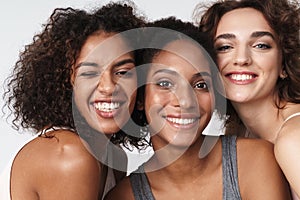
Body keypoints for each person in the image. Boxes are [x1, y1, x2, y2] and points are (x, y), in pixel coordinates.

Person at [104, 17, 291, 200]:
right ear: (140, 97)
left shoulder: (255, 160)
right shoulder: (124, 196)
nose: (186, 101)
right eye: (165, 83)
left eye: (200, 85)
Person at [1, 2, 147, 199]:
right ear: (65, 83)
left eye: (122, 72)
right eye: (89, 73)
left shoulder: (113, 157)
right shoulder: (70, 154)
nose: (109, 87)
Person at [197, 0, 300, 198]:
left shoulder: (293, 139)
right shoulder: (240, 132)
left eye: (261, 45)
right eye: (225, 47)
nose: (242, 58)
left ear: (284, 64)